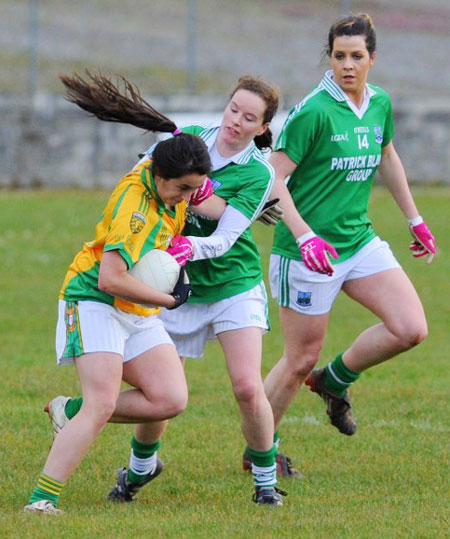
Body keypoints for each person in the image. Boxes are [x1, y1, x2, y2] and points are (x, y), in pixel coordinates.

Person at [38, 73, 287, 509]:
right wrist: (171, 272)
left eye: (250, 118)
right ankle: (136, 469)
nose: (236, 121)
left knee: (246, 387)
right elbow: (140, 183)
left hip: (226, 280)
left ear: (263, 127)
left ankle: (265, 482)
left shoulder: (257, 173)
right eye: (233, 109)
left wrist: (192, 239)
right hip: (157, 283)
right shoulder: (185, 144)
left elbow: (226, 236)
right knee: (154, 396)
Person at [262, 13, 436, 451]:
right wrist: (305, 236)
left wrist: (414, 220)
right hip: (306, 254)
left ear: (372, 59)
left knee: (410, 327)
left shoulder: (379, 103)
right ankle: (261, 453)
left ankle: (334, 381)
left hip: (357, 242)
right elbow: (273, 179)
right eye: (339, 56)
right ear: (331, 58)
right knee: (299, 358)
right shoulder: (314, 112)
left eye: (356, 56)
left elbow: (388, 157)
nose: (347, 65)